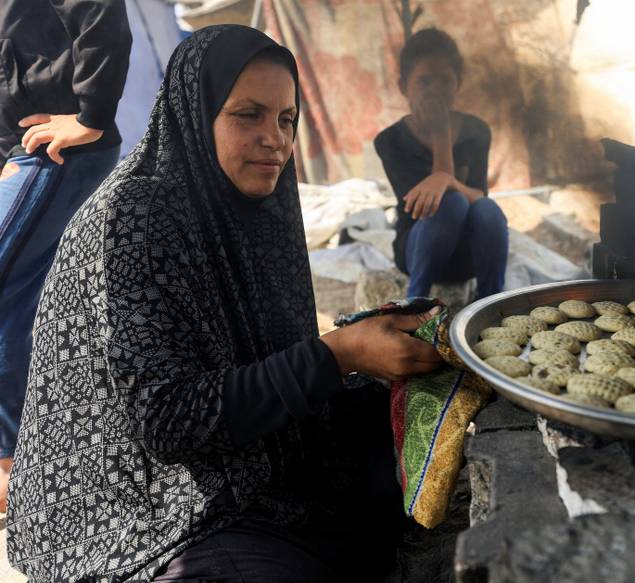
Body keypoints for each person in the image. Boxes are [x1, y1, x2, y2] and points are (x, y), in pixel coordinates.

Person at [7, 25, 441, 582]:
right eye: (248, 115)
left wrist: (379, 342)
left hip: (232, 453)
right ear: (194, 111)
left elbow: (271, 357)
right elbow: (168, 422)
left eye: (286, 119)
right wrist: (336, 356)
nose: (276, 140)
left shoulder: (253, 205)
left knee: (388, 444)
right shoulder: (137, 219)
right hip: (138, 504)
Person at [0, 0, 132, 511]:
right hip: (24, 148)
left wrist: (91, 117)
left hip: (59, 148)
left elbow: (100, 11)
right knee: (25, 302)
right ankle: (48, 458)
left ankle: (16, 465)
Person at [374, 28, 509, 299]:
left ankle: (492, 304)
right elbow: (423, 206)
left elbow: (480, 195)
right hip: (420, 251)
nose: (435, 90)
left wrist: (447, 178)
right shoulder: (390, 141)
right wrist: (441, 133)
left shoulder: (477, 130)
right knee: (451, 204)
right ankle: (416, 304)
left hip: (467, 257)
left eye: (445, 80)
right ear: (404, 87)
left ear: (458, 82)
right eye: (424, 81)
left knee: (488, 210)